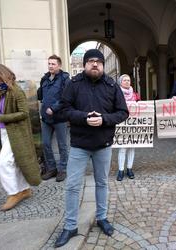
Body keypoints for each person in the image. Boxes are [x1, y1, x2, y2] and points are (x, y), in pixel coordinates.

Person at [54, 49, 129, 248]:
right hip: (79, 144)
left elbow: (123, 112)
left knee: (102, 183)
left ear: (103, 65)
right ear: (85, 64)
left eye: (98, 61)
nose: (94, 64)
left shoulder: (112, 86)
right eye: (90, 61)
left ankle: (102, 218)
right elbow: (64, 109)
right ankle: (70, 226)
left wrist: (104, 119)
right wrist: (85, 118)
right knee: (72, 185)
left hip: (103, 144)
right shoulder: (74, 84)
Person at [0, 64, 41, 211]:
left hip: (17, 134)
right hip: (5, 132)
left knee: (3, 164)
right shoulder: (2, 92)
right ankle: (24, 189)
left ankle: (14, 193)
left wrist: (1, 118)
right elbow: (0, 111)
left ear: (3, 76)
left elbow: (24, 113)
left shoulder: (16, 91)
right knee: (16, 163)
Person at [37, 55, 70, 182]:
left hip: (59, 117)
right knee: (45, 143)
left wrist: (54, 108)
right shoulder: (44, 79)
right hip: (46, 118)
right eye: (49, 63)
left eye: (53, 64)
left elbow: (66, 98)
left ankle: (63, 169)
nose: (50, 66)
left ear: (59, 65)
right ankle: (51, 168)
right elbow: (41, 96)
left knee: (62, 145)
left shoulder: (65, 79)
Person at [117, 74, 140, 181]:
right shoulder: (117, 94)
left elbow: (141, 108)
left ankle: (129, 169)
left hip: (132, 124)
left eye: (128, 80)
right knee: (122, 147)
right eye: (124, 80)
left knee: (132, 146)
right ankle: (121, 170)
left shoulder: (135, 95)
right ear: (120, 82)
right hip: (122, 124)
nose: (127, 82)